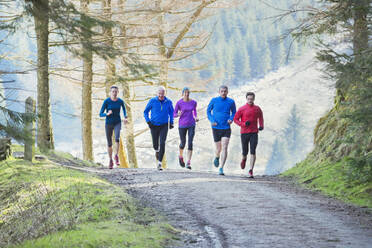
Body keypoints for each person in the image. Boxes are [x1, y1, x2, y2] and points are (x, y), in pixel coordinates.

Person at [207, 85, 236, 175]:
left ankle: (221, 168)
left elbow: (234, 112)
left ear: (227, 92)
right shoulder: (214, 100)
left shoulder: (231, 101)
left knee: (225, 147)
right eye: (222, 91)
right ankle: (217, 156)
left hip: (226, 127)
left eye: (225, 91)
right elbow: (208, 111)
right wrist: (212, 120)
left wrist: (231, 119)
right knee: (218, 148)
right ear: (219, 92)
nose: (223, 93)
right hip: (216, 127)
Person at [233, 92, 264, 178]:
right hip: (244, 133)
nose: (250, 100)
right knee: (245, 151)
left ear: (254, 99)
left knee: (253, 150)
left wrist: (261, 126)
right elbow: (235, 119)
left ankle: (251, 170)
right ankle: (244, 159)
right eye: (248, 99)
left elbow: (261, 117)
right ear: (246, 99)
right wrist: (243, 124)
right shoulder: (242, 108)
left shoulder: (257, 108)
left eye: (251, 99)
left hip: (254, 132)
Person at [144, 86, 174, 170]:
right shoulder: (152, 101)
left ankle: (160, 163)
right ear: (157, 93)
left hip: (164, 125)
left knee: (162, 143)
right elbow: (145, 112)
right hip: (153, 125)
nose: (161, 95)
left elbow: (171, 112)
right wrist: (148, 121)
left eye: (162, 94)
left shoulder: (168, 102)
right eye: (159, 94)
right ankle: (156, 150)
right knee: (155, 144)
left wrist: (171, 122)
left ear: (165, 93)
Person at [99, 85, 128, 169]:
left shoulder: (120, 101)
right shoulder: (107, 101)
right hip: (108, 123)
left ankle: (116, 156)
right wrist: (106, 114)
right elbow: (100, 114)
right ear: (110, 92)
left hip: (117, 122)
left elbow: (124, 110)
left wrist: (125, 117)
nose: (114, 93)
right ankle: (110, 160)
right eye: (113, 91)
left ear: (118, 92)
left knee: (117, 138)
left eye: (116, 91)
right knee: (109, 143)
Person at [174, 87, 198, 170]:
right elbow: (174, 114)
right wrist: (178, 114)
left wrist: (195, 117)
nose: (187, 94)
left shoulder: (193, 102)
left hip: (191, 123)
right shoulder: (179, 103)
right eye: (185, 93)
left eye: (188, 93)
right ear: (182, 94)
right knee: (183, 142)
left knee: (190, 142)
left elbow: (194, 111)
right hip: (182, 124)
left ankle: (188, 162)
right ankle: (180, 156)